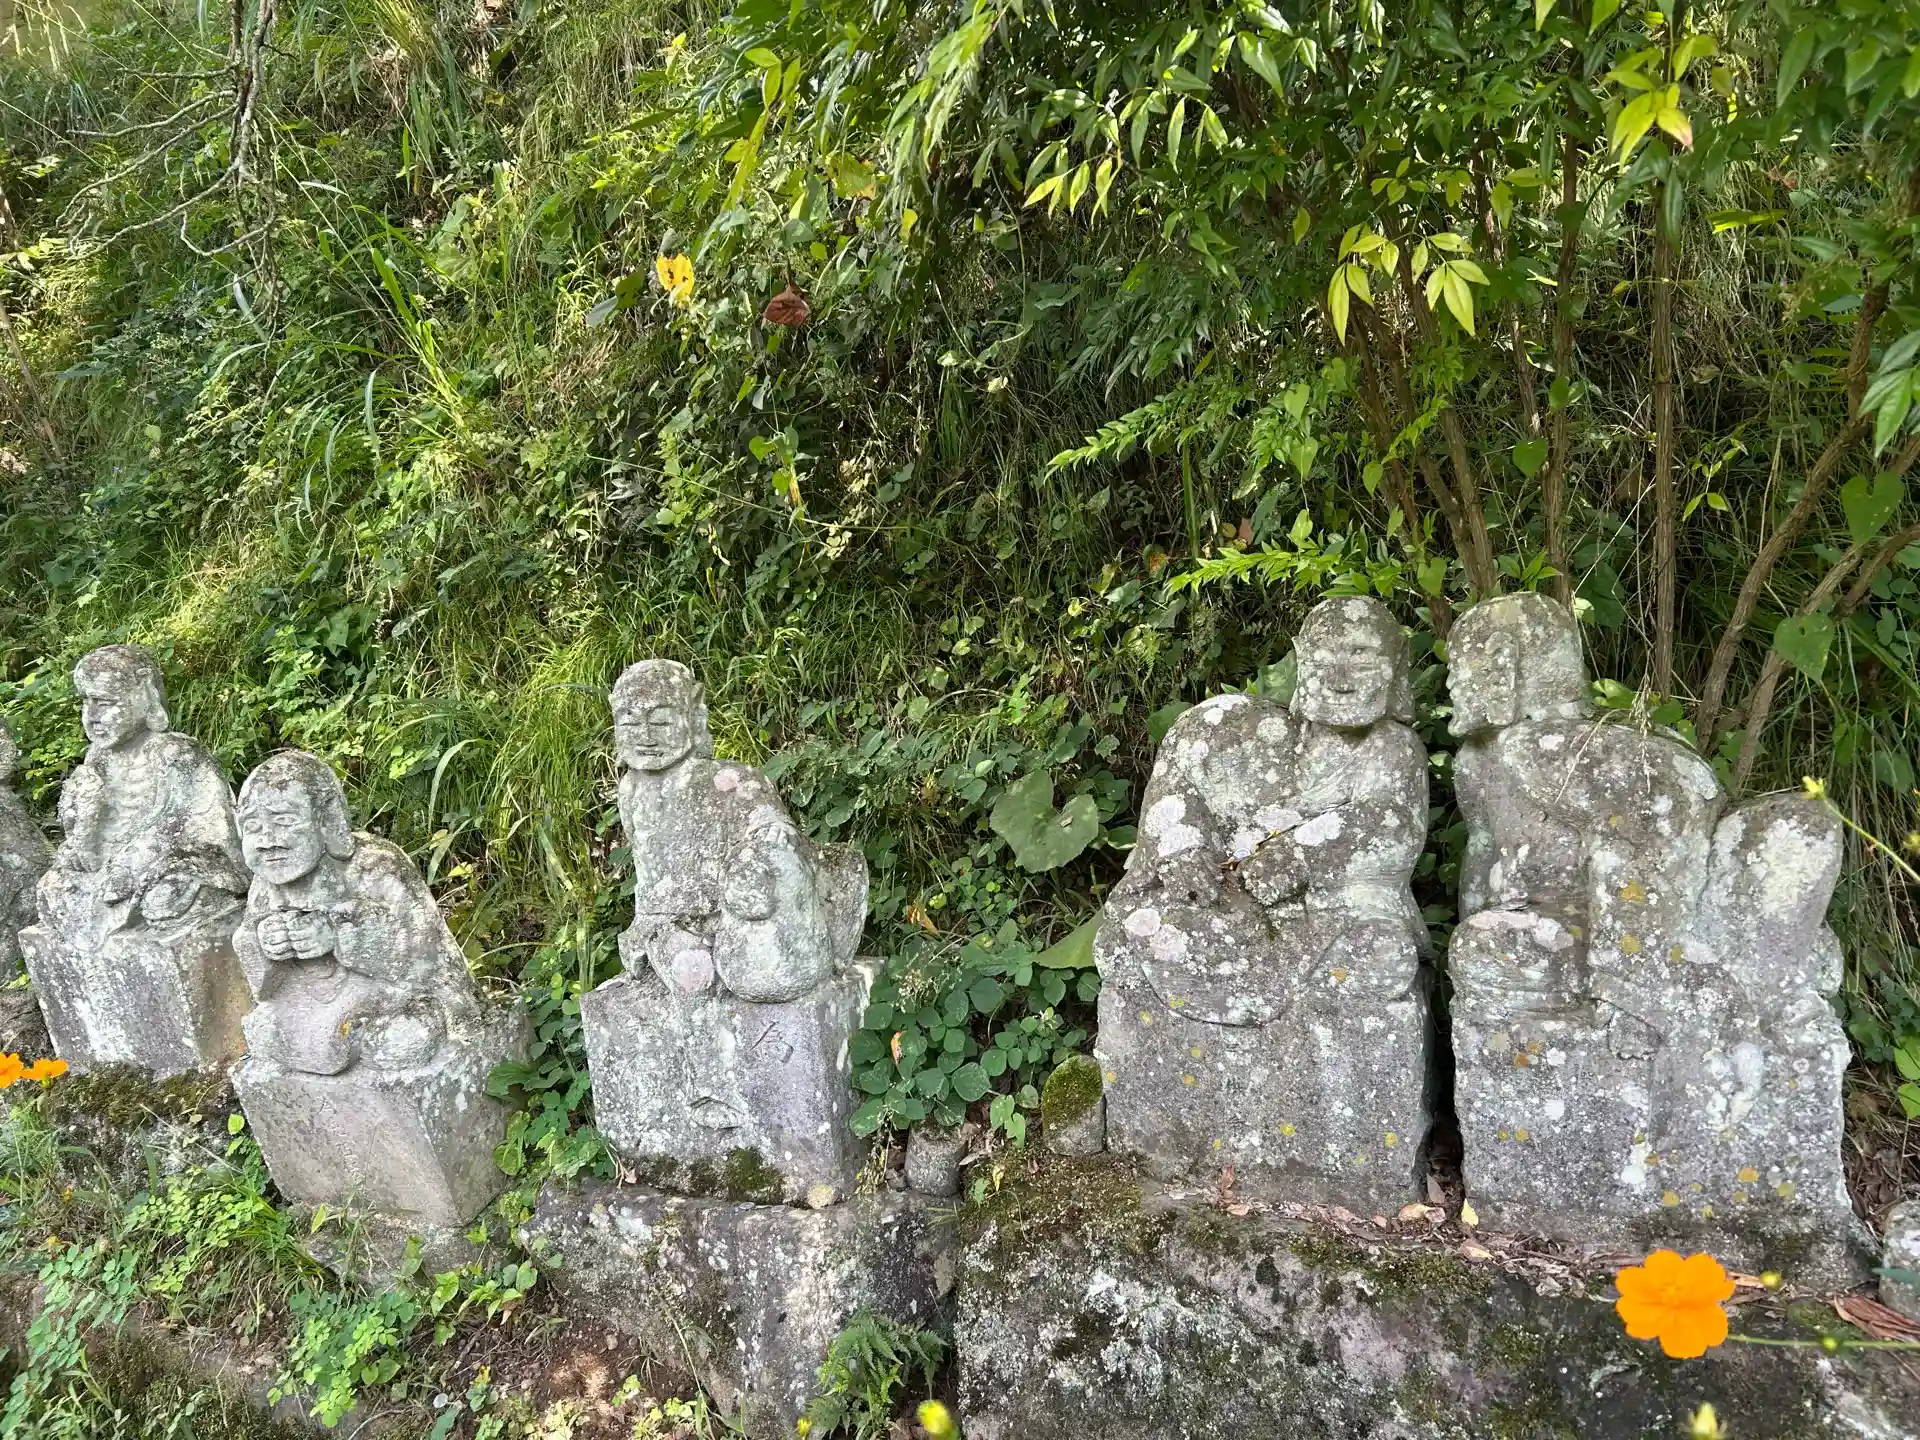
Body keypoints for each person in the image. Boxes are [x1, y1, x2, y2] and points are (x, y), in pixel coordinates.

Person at [234, 751, 479, 1075]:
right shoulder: (265, 886)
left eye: (285, 821)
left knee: (401, 1042)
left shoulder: (375, 865)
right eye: (252, 826)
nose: (267, 841)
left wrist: (339, 934)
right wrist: (264, 942)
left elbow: (423, 949)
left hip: (387, 997)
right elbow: (261, 976)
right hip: (315, 1002)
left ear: (327, 820)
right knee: (264, 1032)